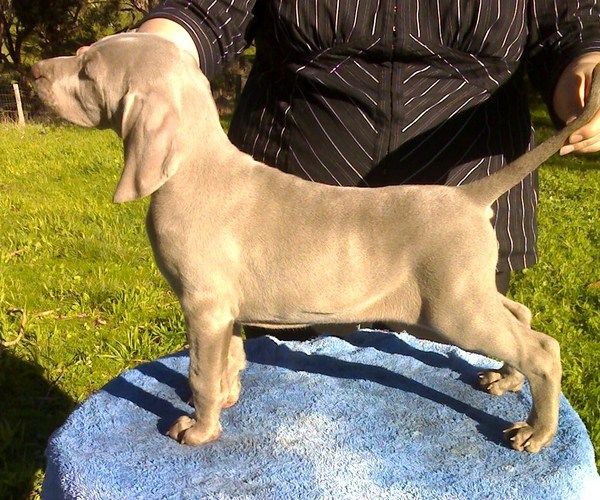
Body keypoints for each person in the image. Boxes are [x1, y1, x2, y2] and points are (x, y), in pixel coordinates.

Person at [130, 2, 600, 336]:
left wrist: (584, 65)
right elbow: (205, 10)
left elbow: (571, 23)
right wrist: (144, 55)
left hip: (457, 205)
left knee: (454, 389)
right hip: (285, 230)